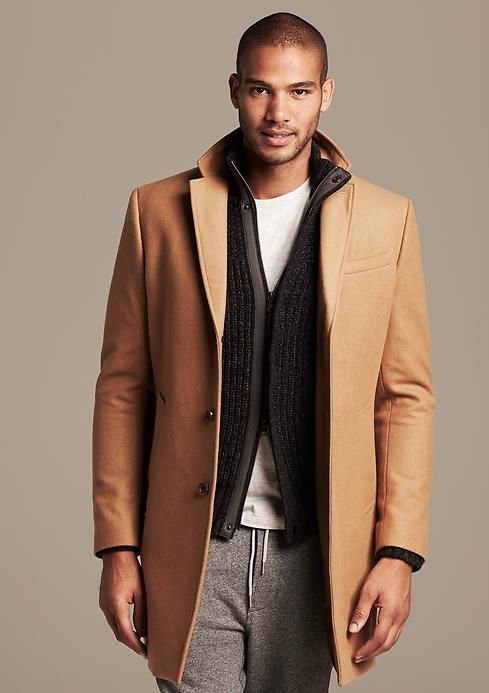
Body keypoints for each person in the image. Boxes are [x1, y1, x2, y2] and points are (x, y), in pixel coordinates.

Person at [92, 11, 435, 692]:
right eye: (260, 90)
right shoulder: (157, 212)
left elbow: (405, 397)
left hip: (319, 551)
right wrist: (117, 545)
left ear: (326, 92)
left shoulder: (385, 220)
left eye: (299, 91)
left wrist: (399, 551)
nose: (279, 113)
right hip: (192, 547)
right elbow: (123, 387)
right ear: (234, 90)